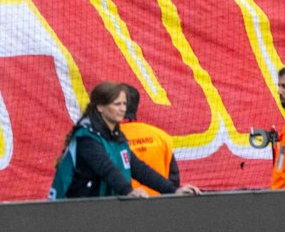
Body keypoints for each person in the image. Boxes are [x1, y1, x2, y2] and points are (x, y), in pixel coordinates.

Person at [51, 82, 192, 199]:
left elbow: (139, 169)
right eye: (117, 104)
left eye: (124, 104)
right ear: (100, 107)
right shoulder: (87, 138)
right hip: (76, 210)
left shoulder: (117, 137)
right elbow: (106, 169)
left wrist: (173, 190)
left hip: (102, 209)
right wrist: (128, 191)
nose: (122, 109)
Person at [118, 87, 180, 196]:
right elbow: (174, 178)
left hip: (122, 204)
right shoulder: (161, 136)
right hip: (158, 205)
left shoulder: (107, 139)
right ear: (138, 106)